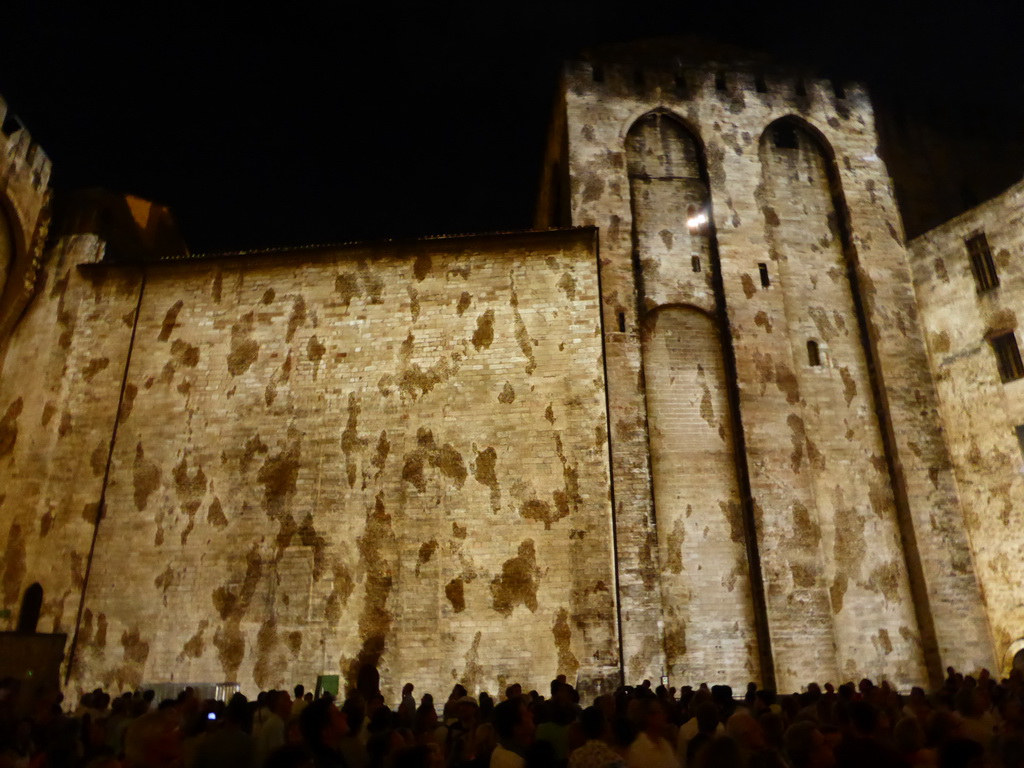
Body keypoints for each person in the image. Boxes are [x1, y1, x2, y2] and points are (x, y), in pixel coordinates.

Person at [626, 699, 678, 768]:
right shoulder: (639, 749)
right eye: (660, 712)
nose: (664, 715)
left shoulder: (664, 743)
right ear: (648, 717)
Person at [491, 699, 533, 768]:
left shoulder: (502, 750)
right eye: (526, 713)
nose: (531, 715)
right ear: (517, 727)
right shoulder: (513, 763)